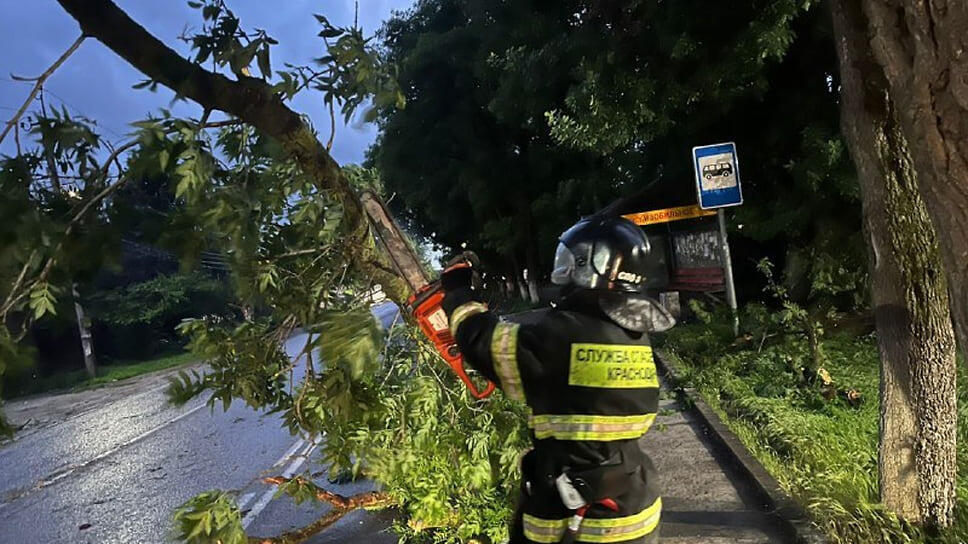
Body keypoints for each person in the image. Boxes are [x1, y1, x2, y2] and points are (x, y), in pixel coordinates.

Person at [440, 215, 675, 544]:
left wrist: (458, 293)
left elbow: (483, 343)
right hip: (634, 503)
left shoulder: (565, 336)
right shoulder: (632, 333)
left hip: (577, 520)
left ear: (591, 264)